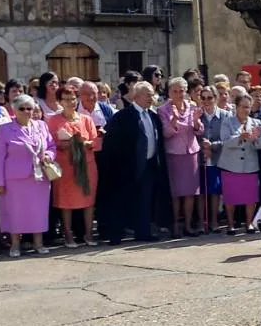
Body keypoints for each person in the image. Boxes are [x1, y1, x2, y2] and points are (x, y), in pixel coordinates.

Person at [0, 95, 57, 258]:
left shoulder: (41, 125)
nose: (27, 112)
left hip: (39, 177)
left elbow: (51, 145)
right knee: (15, 212)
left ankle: (39, 243)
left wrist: (49, 155)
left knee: (38, 212)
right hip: (14, 179)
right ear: (14, 110)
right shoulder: (5, 130)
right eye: (22, 108)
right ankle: (15, 245)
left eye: (30, 108)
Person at [100, 81, 163, 245]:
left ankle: (143, 232)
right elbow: (112, 143)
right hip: (126, 167)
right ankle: (116, 234)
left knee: (145, 200)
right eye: (148, 95)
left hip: (148, 165)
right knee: (122, 200)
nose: (151, 98)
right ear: (137, 96)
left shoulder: (153, 116)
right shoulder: (123, 116)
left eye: (152, 94)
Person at [45, 87, 99, 248]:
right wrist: (69, 143)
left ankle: (88, 233)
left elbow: (94, 141)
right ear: (60, 102)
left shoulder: (86, 119)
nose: (71, 102)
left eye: (73, 99)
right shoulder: (53, 120)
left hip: (86, 164)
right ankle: (68, 234)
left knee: (88, 200)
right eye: (67, 99)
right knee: (65, 201)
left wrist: (84, 143)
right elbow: (52, 143)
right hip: (65, 166)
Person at [215, 87, 261, 234]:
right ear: (236, 107)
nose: (246, 110)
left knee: (251, 197)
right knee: (231, 197)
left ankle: (249, 223)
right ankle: (231, 224)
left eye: (248, 107)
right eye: (243, 107)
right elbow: (224, 141)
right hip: (231, 165)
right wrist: (240, 138)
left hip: (250, 165)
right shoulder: (227, 122)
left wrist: (255, 139)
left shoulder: (256, 123)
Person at [158, 78, 204, 237]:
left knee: (190, 192)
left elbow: (198, 131)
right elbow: (166, 133)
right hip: (174, 154)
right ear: (169, 92)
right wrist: (174, 121)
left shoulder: (192, 106)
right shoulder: (163, 109)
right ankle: (176, 224)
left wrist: (197, 121)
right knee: (176, 192)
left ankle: (189, 224)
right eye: (175, 91)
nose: (178, 94)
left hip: (191, 153)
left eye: (181, 91)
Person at [196, 85, 227, 233]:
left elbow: (228, 139)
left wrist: (212, 146)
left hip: (217, 158)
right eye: (203, 98)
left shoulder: (225, 116)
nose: (206, 101)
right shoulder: (197, 115)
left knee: (214, 191)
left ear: (216, 98)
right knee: (201, 191)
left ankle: (214, 221)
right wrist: (203, 147)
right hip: (200, 158)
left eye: (210, 98)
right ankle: (202, 222)